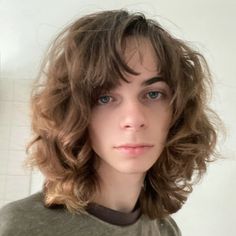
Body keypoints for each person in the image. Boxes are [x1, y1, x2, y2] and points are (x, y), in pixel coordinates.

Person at [0, 9, 219, 236]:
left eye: (153, 94)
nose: (134, 120)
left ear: (178, 110)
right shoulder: (21, 227)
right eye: (104, 98)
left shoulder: (166, 230)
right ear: (72, 112)